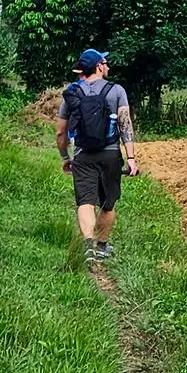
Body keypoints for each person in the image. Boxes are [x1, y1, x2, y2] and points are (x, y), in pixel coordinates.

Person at [55, 48, 136, 262]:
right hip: (110, 154)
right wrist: (130, 158)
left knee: (85, 202)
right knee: (108, 204)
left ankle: (87, 245)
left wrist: (65, 157)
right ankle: (101, 246)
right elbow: (124, 123)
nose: (108, 66)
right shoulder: (116, 90)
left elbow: (61, 131)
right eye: (105, 63)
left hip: (82, 155)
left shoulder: (72, 93)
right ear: (99, 66)